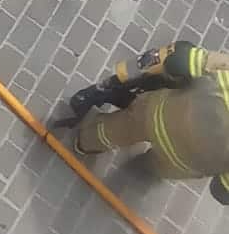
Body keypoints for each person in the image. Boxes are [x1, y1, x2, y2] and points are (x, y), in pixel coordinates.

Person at [69, 39, 229, 204]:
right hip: (179, 162)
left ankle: (85, 143)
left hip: (158, 115)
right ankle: (141, 169)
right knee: (158, 167)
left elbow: (180, 60)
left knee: (118, 129)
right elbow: (220, 191)